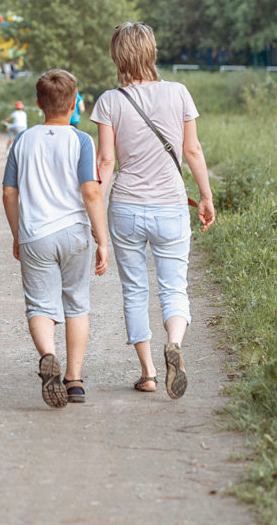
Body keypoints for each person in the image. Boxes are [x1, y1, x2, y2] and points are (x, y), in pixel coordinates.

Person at [90, 22, 215, 399]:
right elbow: (192, 151)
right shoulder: (178, 93)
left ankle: (147, 373)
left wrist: (94, 212)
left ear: (117, 56)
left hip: (126, 208)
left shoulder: (109, 101)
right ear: (152, 52)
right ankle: (174, 343)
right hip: (172, 207)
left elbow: (106, 163)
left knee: (134, 290)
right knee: (173, 287)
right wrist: (206, 196)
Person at [2, 70, 109, 408]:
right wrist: (102, 239)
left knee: (39, 306)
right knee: (76, 304)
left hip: (35, 235)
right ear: (76, 102)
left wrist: (17, 233)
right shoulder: (81, 141)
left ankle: (48, 355)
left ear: (38, 105)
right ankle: (74, 381)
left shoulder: (23, 139)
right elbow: (91, 192)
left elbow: (8, 192)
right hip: (73, 234)